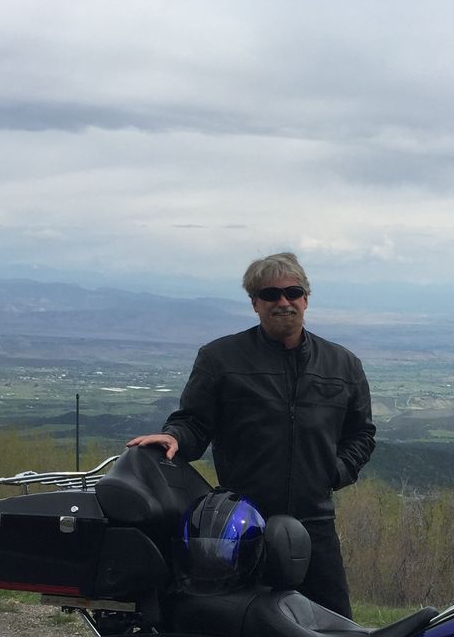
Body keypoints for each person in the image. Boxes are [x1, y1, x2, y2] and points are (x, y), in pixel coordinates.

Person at [127, 252, 375, 617]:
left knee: (333, 630)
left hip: (314, 526)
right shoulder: (220, 358)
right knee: (246, 626)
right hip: (241, 525)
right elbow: (194, 421)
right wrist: (175, 437)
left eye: (293, 292)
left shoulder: (343, 364)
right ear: (255, 303)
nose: (283, 302)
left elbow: (362, 434)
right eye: (270, 294)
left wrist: (333, 473)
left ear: (306, 299)